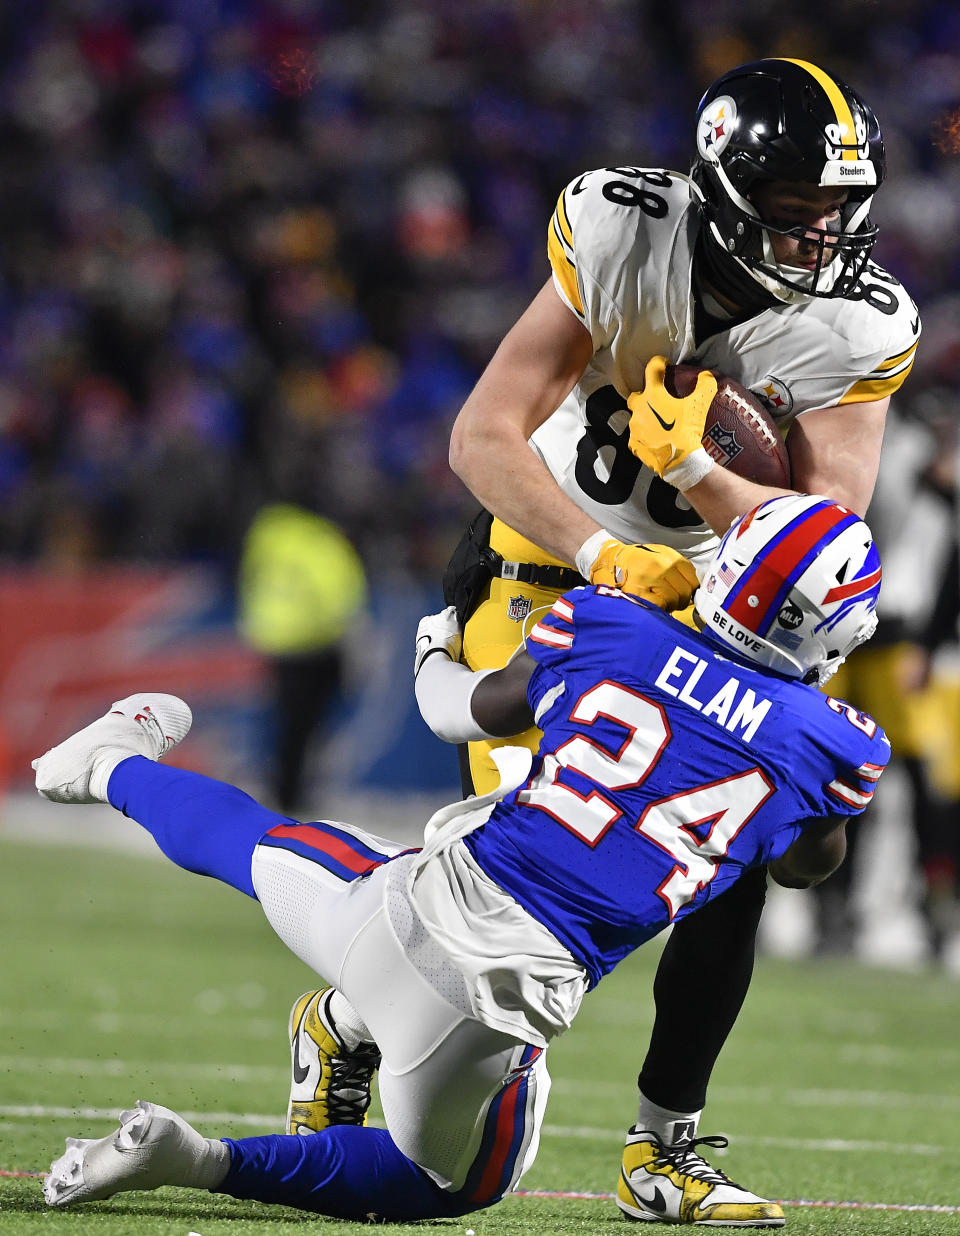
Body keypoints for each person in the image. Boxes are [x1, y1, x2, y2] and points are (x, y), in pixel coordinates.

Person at [34, 494, 888, 1226]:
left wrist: (433, 646)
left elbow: (459, 711)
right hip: (486, 1014)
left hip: (398, 906)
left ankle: (110, 767)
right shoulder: (833, 744)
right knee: (450, 1183)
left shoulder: (611, 622)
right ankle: (196, 1158)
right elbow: (807, 867)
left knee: (253, 844)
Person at [439, 56, 920, 1221]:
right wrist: (607, 557)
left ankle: (665, 1147)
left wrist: (702, 480)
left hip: (711, 617)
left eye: (836, 215)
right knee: (543, 876)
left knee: (733, 876)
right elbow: (483, 437)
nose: (820, 238)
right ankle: (349, 1027)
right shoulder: (620, 227)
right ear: (723, 185)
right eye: (796, 210)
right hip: (544, 572)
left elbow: (824, 539)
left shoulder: (863, 323)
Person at [237, 502, 368, 814]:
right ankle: (293, 794)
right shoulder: (321, 542)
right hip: (315, 642)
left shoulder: (269, 536)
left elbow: (249, 580)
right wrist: (353, 635)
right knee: (308, 724)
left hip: (276, 640)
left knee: (286, 723)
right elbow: (338, 593)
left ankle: (281, 789)